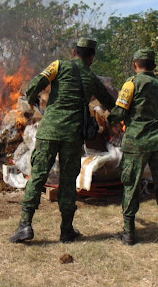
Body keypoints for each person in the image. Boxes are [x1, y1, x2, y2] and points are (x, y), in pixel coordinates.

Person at [9, 38, 116, 243]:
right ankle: (66, 230)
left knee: (38, 176)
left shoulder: (58, 65)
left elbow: (35, 85)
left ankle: (25, 225)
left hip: (49, 132)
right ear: (92, 57)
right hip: (73, 136)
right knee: (68, 182)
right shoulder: (93, 78)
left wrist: (32, 99)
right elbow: (110, 103)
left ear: (74, 51)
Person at [108, 48, 158, 251]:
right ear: (153, 66)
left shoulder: (131, 84)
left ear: (135, 64)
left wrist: (110, 120)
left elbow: (120, 111)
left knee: (131, 184)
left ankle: (129, 234)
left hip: (136, 142)